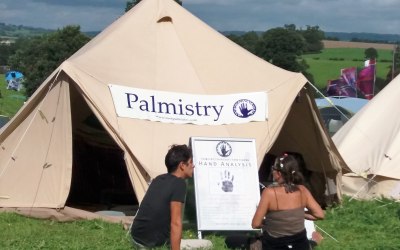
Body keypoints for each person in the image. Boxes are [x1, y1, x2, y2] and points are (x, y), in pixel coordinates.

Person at [130, 144, 212, 250]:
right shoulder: (179, 184)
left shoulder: (158, 179)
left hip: (135, 238)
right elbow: (176, 222)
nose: (193, 166)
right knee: (208, 244)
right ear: (182, 165)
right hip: (150, 245)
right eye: (191, 162)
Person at [251, 153, 325, 250]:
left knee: (232, 240)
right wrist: (298, 214)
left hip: (275, 245)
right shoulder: (302, 190)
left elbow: (255, 224)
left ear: (279, 173)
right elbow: (320, 215)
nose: (272, 171)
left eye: (273, 168)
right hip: (300, 245)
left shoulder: (269, 193)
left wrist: (270, 222)